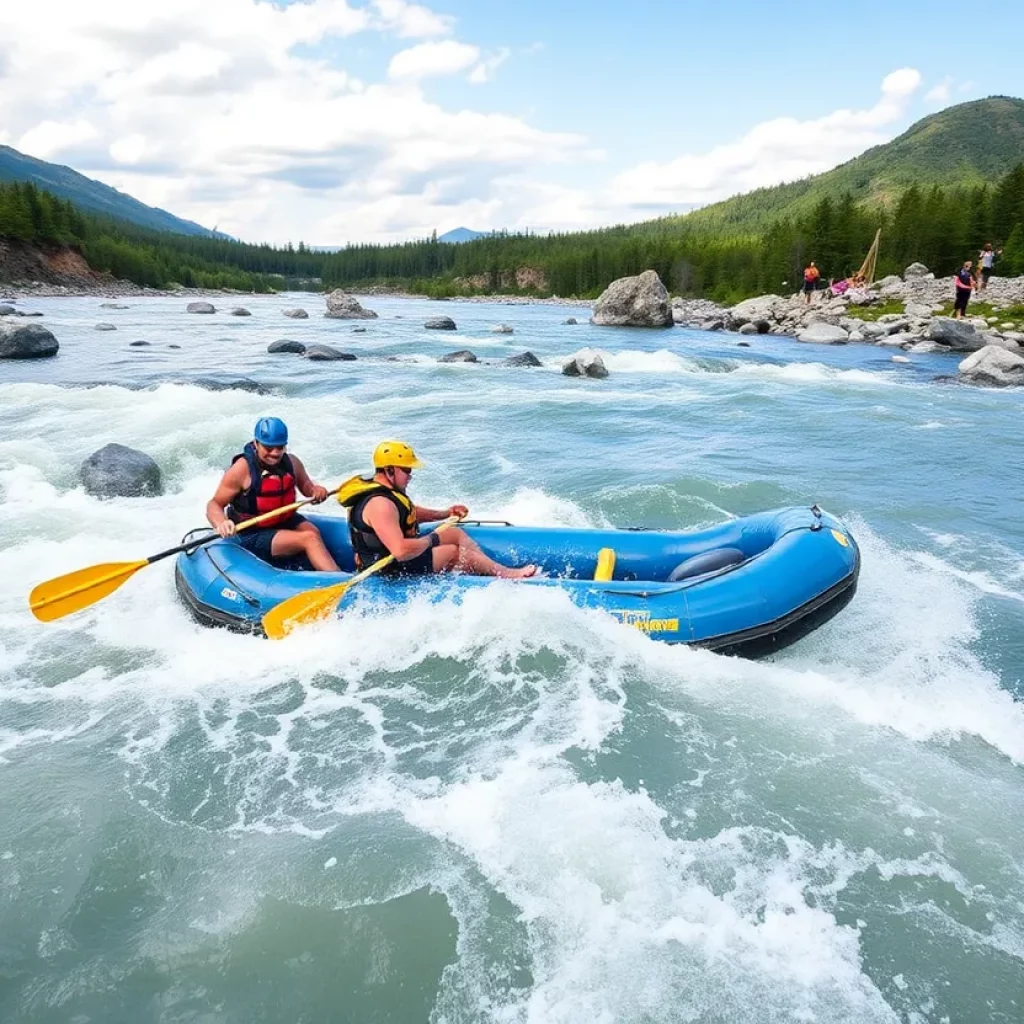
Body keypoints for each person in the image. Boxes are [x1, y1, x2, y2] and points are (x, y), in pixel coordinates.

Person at [337, 441, 537, 579]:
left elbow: (408, 512)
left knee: (452, 531)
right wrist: (430, 539)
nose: (410, 476)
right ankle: (506, 574)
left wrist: (444, 514)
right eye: (406, 470)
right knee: (453, 552)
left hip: (394, 558)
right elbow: (400, 551)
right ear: (389, 470)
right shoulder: (380, 505)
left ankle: (484, 568)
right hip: (385, 568)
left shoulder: (386, 494)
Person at [206, 417, 339, 571]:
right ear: (256, 444)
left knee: (313, 531)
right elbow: (214, 504)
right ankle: (342, 584)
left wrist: (315, 490)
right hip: (252, 532)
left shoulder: (292, 462)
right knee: (309, 539)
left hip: (284, 520)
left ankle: (322, 570)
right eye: (269, 448)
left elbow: (306, 486)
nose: (275, 453)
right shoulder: (241, 470)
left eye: (280, 447)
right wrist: (221, 522)